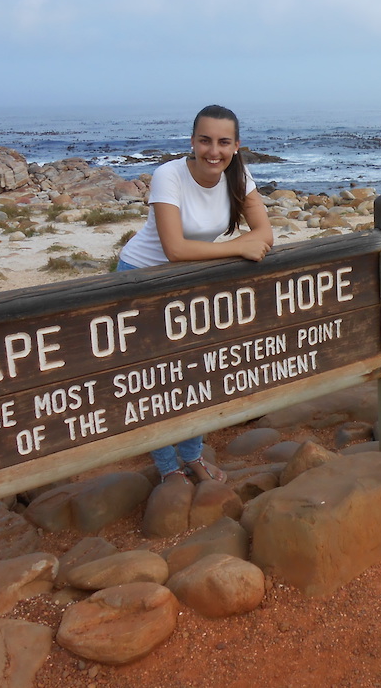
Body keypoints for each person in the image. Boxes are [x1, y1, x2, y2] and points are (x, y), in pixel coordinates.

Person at [117, 104, 275, 484]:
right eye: (205, 141)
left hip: (187, 282)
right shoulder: (168, 175)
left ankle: (192, 455)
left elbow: (265, 234)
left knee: (195, 372)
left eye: (223, 142)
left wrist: (242, 244)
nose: (213, 151)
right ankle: (167, 468)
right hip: (140, 279)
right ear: (192, 141)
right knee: (153, 380)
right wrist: (237, 247)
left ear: (237, 145)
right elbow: (175, 248)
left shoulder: (238, 175)